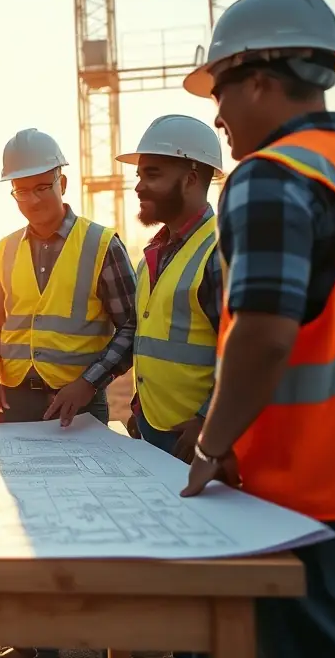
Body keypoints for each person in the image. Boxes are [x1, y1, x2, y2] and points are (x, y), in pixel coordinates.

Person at [179, 0, 335, 658]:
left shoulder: (270, 176)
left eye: (219, 93)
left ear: (261, 82)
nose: (216, 117)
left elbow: (264, 335)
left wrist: (212, 446)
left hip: (311, 493)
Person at [0, 128, 137, 427]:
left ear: (61, 183)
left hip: (78, 403)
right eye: (22, 190)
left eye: (42, 187)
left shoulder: (101, 244)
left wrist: (89, 383)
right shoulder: (5, 249)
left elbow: (131, 327)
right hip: (14, 399)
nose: (33, 200)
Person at [114, 114, 224, 464]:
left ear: (191, 179)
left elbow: (241, 353)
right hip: (152, 428)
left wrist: (209, 420)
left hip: (195, 440)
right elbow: (143, 333)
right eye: (140, 175)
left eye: (153, 174)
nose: (138, 187)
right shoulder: (151, 256)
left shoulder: (220, 251)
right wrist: (140, 408)